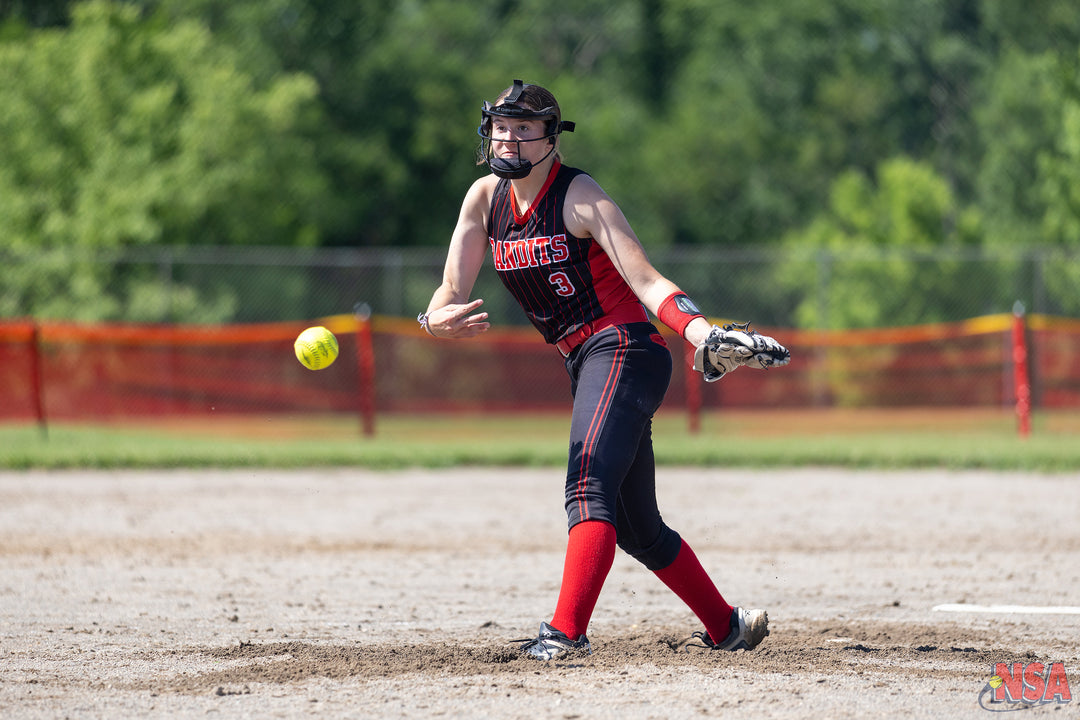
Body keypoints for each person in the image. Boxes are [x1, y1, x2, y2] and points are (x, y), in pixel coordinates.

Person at [419, 79, 789, 661]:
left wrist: (702, 332)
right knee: (639, 528)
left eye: (524, 128)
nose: (508, 139)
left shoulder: (579, 196)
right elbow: (449, 288)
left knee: (587, 485)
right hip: (585, 359)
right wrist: (432, 319)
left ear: (551, 137)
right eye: (500, 127)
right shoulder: (484, 199)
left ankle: (565, 634)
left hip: (624, 349)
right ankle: (729, 627)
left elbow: (647, 281)